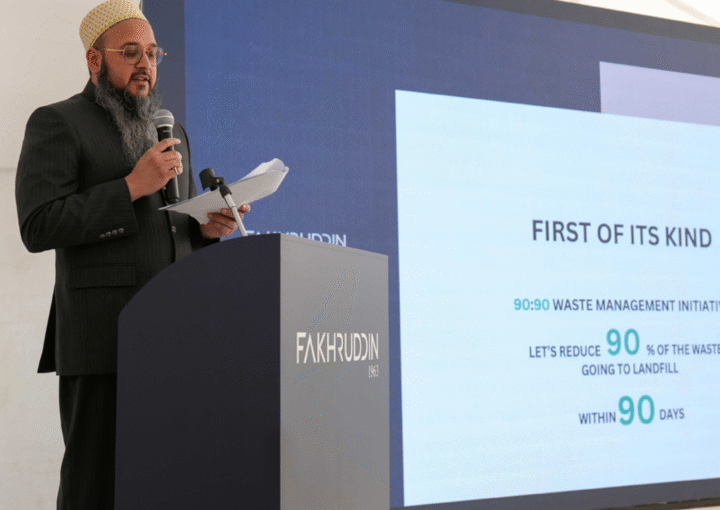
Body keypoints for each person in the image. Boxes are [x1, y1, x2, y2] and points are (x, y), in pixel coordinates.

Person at [14, 1, 249, 507]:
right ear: (94, 60)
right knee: (95, 489)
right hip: (103, 340)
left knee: (166, 484)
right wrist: (130, 187)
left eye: (153, 53)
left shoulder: (171, 131)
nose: (146, 64)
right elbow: (38, 224)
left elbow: (170, 228)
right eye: (130, 52)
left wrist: (205, 229)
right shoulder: (59, 122)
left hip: (175, 338)